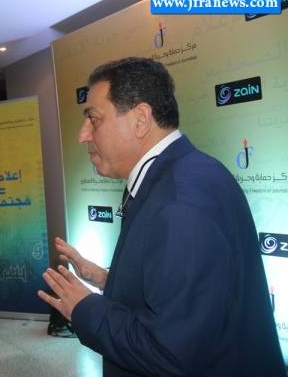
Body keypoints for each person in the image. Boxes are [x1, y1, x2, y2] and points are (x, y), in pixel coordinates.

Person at [38, 57, 285, 377]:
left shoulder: (180, 204)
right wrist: (108, 279)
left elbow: (170, 353)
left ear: (141, 119)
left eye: (94, 119)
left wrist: (85, 309)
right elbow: (185, 298)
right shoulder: (181, 175)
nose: (83, 135)